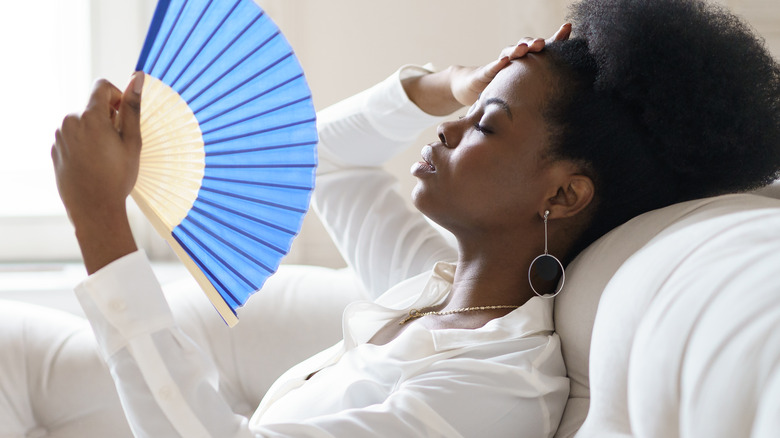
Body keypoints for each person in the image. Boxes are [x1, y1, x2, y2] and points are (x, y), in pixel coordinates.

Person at [51, 0, 780, 436]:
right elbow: (327, 159)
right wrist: (453, 84)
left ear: (561, 197)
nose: (449, 128)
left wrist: (100, 224)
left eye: (486, 126)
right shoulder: (434, 291)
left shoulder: (491, 390)